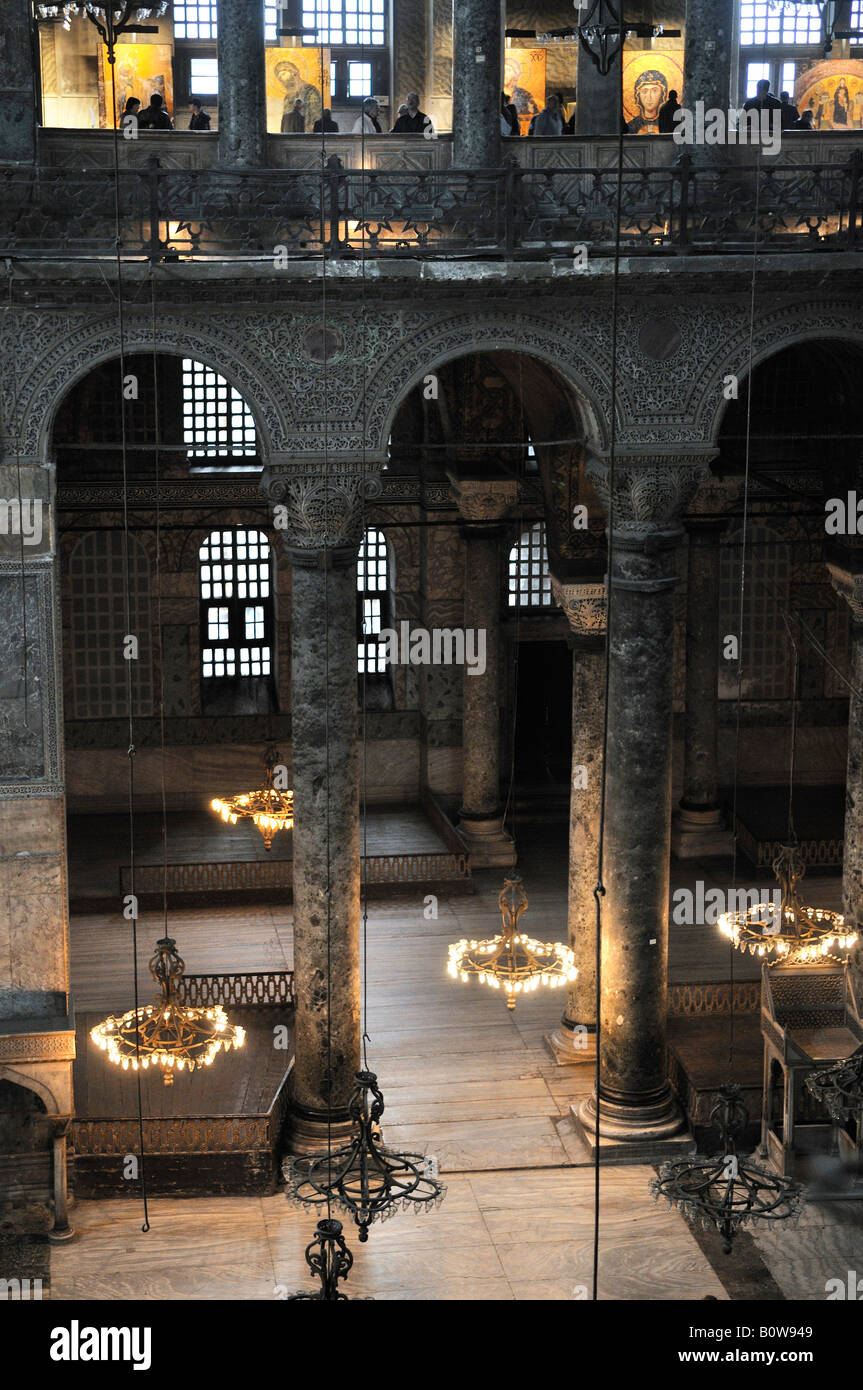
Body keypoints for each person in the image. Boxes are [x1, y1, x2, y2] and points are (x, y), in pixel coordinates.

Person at [275, 58, 322, 131]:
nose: (282, 79)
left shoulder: (311, 92)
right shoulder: (287, 97)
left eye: (283, 74)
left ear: (293, 72)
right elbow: (284, 120)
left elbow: (315, 118)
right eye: (279, 77)